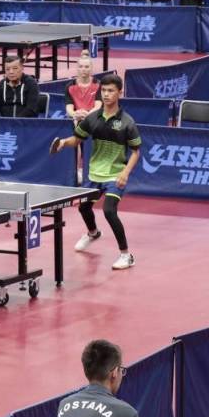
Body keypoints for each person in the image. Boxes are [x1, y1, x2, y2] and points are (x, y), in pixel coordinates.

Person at [49, 73, 141, 270]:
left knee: (109, 210)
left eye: (111, 91)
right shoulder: (93, 118)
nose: (106, 94)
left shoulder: (127, 122)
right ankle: (93, 233)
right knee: (83, 208)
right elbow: (77, 139)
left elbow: (136, 151)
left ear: (119, 93)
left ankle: (126, 255)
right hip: (94, 173)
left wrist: (125, 173)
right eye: (104, 91)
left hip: (114, 174)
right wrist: (64, 142)